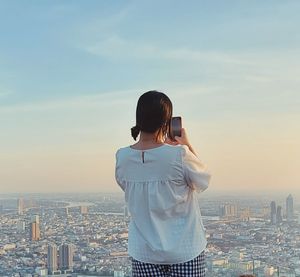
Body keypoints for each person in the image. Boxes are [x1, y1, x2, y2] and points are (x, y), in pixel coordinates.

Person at [115, 90, 211, 276]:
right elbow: (203, 179)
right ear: (166, 122)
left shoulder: (122, 157)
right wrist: (187, 145)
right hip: (185, 250)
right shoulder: (179, 154)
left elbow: (125, 185)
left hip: (144, 252)